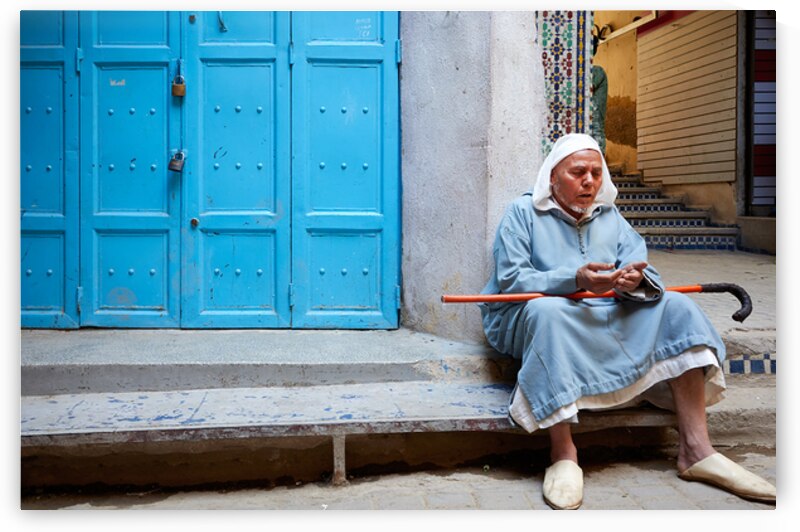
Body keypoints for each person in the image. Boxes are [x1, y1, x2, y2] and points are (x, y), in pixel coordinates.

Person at [479, 133, 776, 510]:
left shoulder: (611, 216)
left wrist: (634, 280)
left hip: (605, 311)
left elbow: (640, 265)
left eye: (596, 173)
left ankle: (697, 450)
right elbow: (513, 279)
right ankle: (564, 453)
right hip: (538, 315)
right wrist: (576, 279)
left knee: (677, 307)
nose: (589, 181)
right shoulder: (521, 214)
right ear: (552, 178)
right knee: (547, 312)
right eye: (578, 173)